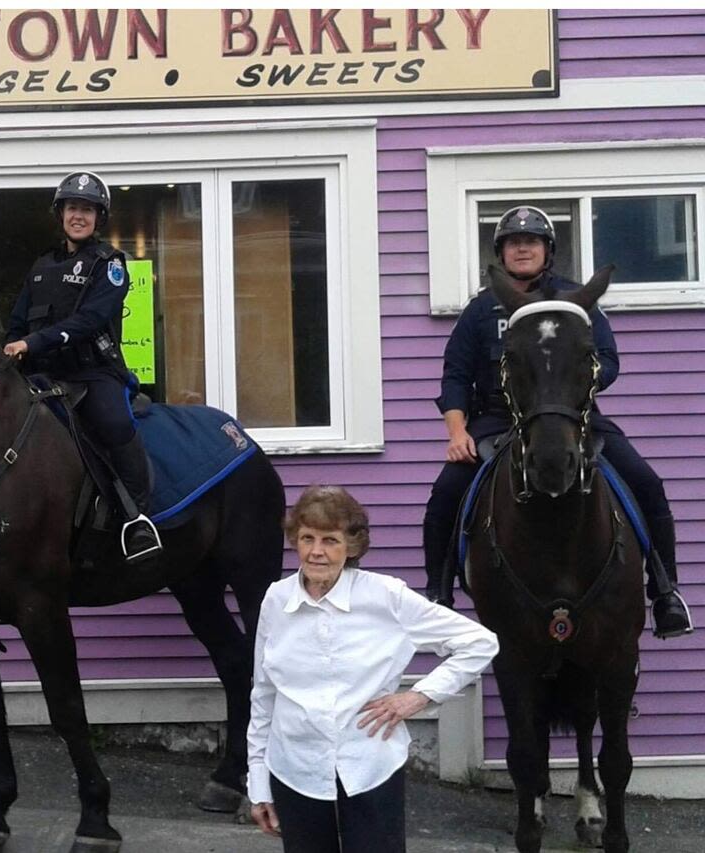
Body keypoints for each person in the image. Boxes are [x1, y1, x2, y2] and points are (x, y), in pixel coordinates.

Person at [421, 205, 693, 639]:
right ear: (502, 252)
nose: (522, 248)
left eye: (531, 242)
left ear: (548, 250)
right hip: (495, 419)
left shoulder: (575, 301)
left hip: (571, 417)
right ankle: (437, 598)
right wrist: (457, 433)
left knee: (645, 480)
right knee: (446, 493)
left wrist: (572, 385)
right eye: (513, 242)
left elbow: (608, 360)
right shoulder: (479, 311)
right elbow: (455, 376)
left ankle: (665, 592)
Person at [247, 485, 497, 852]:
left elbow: (480, 642)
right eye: (307, 538)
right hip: (295, 768)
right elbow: (264, 693)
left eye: (330, 540)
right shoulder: (276, 600)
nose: (316, 551)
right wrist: (258, 784)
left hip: (370, 765)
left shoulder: (386, 597)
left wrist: (417, 697)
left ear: (351, 546)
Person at [2, 171, 161, 563]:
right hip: (43, 375)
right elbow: (18, 323)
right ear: (61, 214)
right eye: (73, 208)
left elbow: (89, 320)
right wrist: (10, 349)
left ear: (98, 219)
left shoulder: (110, 264)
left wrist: (33, 342)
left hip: (93, 374)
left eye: (87, 210)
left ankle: (137, 518)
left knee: (114, 423)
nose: (79, 216)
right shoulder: (40, 267)